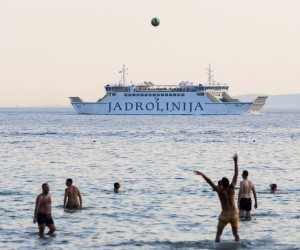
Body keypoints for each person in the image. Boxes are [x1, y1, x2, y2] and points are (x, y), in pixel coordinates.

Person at [194, 153, 239, 242]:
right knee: (235, 234)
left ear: (222, 184)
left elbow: (210, 182)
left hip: (225, 214)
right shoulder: (232, 187)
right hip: (234, 214)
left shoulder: (220, 191)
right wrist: (235, 161)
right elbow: (236, 174)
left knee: (218, 235)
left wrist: (202, 174)